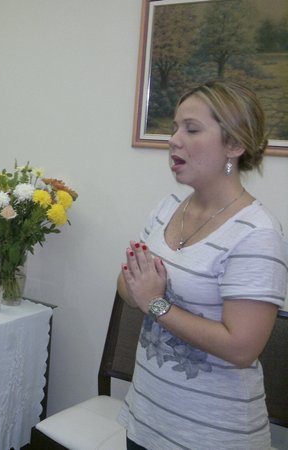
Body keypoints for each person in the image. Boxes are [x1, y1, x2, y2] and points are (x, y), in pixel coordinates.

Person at [116, 80, 287, 449]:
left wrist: (155, 303)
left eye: (191, 129)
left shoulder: (257, 233)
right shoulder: (166, 208)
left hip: (212, 435)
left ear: (235, 144)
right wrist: (138, 288)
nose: (173, 140)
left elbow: (241, 348)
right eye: (175, 127)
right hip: (145, 421)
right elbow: (126, 287)